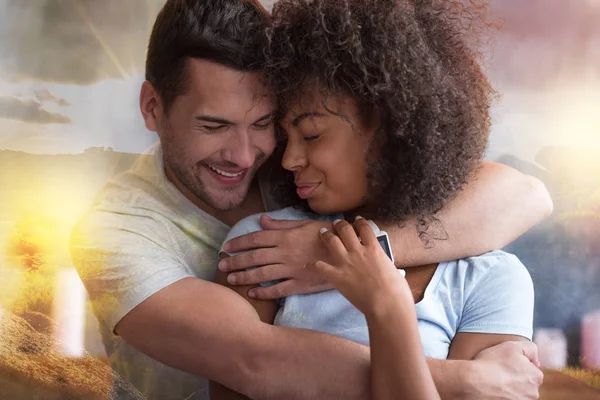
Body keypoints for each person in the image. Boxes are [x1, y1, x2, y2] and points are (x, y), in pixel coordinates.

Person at [70, 1, 551, 399]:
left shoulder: (297, 173)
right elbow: (255, 362)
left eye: (264, 124)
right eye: (213, 126)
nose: (246, 154)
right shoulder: (113, 232)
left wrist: (343, 249)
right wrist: (468, 382)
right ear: (153, 108)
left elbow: (524, 195)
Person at [213, 1, 541, 399]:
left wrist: (387, 304)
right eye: (286, 138)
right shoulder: (264, 245)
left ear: (392, 128)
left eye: (312, 135)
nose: (289, 159)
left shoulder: (491, 279)